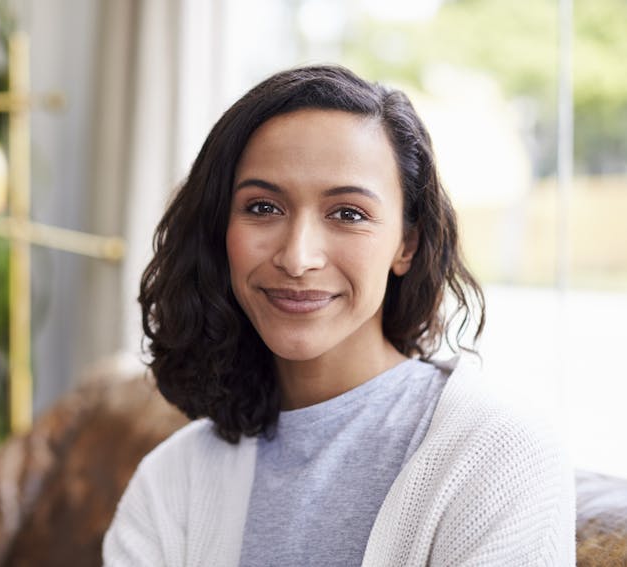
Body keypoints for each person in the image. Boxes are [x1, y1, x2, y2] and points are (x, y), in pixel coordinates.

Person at [103, 65, 575, 566]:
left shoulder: (497, 452)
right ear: (221, 231)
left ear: (406, 244)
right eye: (263, 207)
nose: (297, 256)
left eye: (348, 213)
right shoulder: (172, 480)